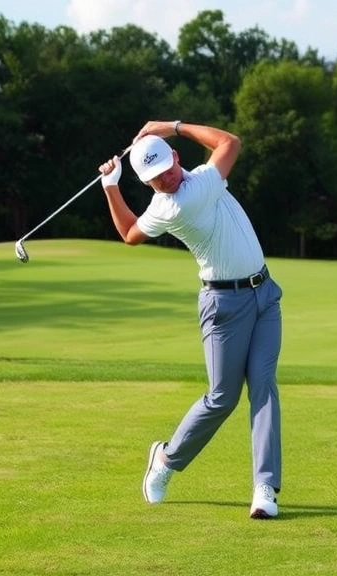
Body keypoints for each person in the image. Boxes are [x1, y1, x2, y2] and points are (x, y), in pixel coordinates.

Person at [98, 120, 283, 519]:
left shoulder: (192, 183)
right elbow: (229, 141)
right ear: (146, 184)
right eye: (154, 179)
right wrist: (175, 126)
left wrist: (112, 185)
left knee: (264, 387)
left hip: (265, 296)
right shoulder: (185, 198)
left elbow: (129, 232)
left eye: (166, 170)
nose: (164, 180)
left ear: (176, 158)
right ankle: (165, 460)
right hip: (223, 306)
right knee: (222, 398)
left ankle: (264, 487)